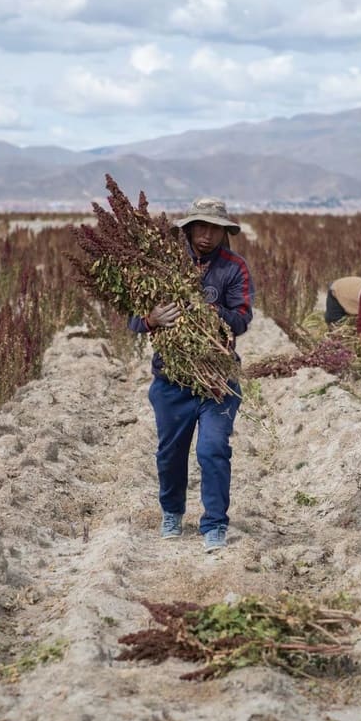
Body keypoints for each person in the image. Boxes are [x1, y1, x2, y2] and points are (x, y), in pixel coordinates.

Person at [128, 197, 254, 553]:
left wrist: (206, 311)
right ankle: (172, 511)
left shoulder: (234, 268)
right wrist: (153, 318)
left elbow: (242, 319)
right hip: (172, 379)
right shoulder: (163, 266)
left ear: (224, 232)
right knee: (171, 452)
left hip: (218, 380)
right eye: (200, 226)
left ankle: (214, 524)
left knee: (213, 449)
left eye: (214, 228)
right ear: (187, 228)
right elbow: (133, 320)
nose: (206, 235)